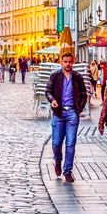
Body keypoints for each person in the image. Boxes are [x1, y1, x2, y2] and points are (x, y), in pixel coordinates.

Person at [45, 49, 87, 182]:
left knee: (70, 143)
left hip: (72, 114)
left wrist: (78, 109)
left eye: (70, 62)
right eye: (65, 62)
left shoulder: (78, 77)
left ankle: (67, 171)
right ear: (61, 62)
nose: (68, 64)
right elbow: (48, 91)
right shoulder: (55, 76)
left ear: (73, 62)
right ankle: (58, 160)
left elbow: (83, 94)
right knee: (56, 143)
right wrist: (53, 100)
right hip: (59, 113)